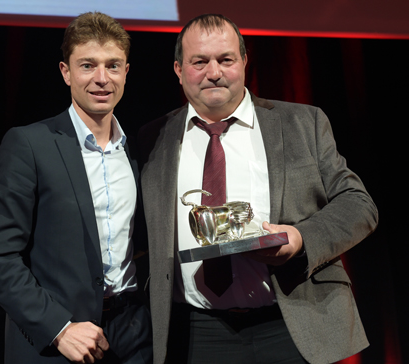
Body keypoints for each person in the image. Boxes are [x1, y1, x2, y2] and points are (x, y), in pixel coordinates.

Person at [138, 14, 378, 364]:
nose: (214, 72)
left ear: (245, 61)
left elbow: (359, 204)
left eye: (226, 59)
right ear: (178, 68)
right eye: (199, 62)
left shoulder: (303, 123)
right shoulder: (152, 138)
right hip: (194, 333)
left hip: (290, 325)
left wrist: (300, 239)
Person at [0, 12, 152, 364]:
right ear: (65, 72)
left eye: (113, 66)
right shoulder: (29, 144)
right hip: (58, 341)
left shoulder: (141, 150)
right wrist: (59, 328)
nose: (102, 79)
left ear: (126, 73)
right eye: (88, 65)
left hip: (133, 337)